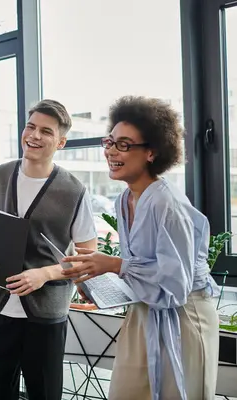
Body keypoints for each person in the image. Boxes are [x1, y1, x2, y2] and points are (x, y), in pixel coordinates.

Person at [62, 96, 220, 400]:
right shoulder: (125, 200)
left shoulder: (167, 203)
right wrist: (97, 283)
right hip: (143, 313)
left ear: (151, 152)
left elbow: (175, 285)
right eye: (110, 142)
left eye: (124, 144)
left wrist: (114, 265)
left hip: (184, 319)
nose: (110, 151)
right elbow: (143, 269)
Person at [0, 99, 98, 400]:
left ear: (61, 142)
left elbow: (87, 257)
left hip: (45, 314)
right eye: (31, 127)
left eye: (46, 131)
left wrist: (45, 273)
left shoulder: (74, 190)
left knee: (44, 393)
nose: (34, 136)